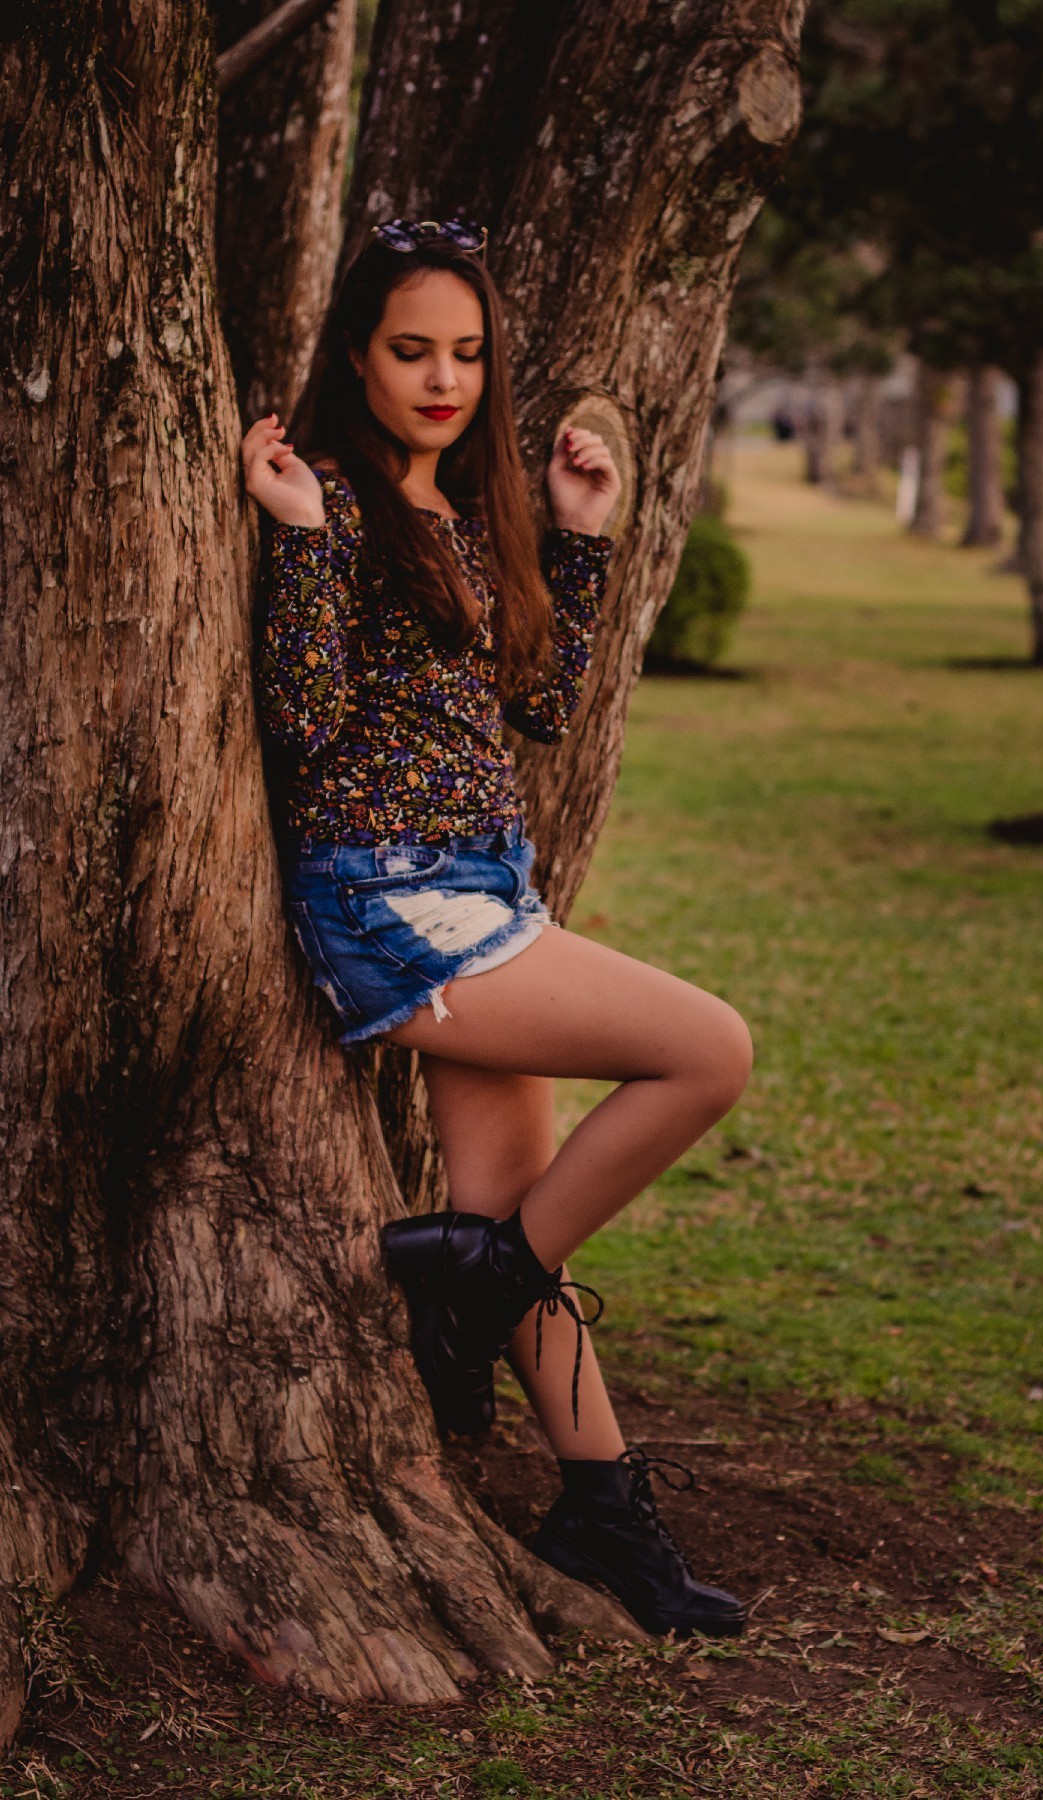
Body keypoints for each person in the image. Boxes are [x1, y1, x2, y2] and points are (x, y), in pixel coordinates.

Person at [242, 216, 753, 1639]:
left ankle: (600, 1507)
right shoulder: (333, 502)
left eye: (467, 354)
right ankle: (465, 1292)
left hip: (482, 887)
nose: (443, 380)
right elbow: (302, 724)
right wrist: (298, 540)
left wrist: (578, 539)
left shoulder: (468, 512)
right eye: (411, 350)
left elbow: (537, 704)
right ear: (357, 354)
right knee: (709, 1050)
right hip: (387, 898)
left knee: (514, 1215)